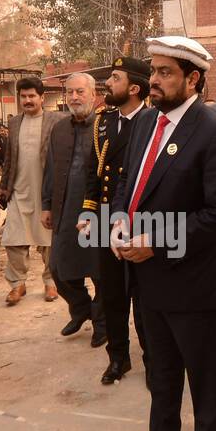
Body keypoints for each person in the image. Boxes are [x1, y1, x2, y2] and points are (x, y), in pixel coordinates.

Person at [109, 36, 216, 431]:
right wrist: (120, 222)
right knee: (160, 368)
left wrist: (156, 241)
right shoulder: (147, 119)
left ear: (194, 79)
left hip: (192, 280)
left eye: (167, 73)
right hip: (147, 279)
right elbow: (131, 180)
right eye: (155, 71)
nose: (156, 80)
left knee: (204, 376)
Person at [82, 56, 154, 384]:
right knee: (111, 291)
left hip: (143, 218)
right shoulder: (103, 121)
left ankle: (153, 358)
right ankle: (118, 358)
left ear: (134, 88)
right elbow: (94, 170)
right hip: (105, 215)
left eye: (115, 78)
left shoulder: (155, 122)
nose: (107, 83)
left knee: (144, 294)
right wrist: (88, 210)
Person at [43, 72, 105, 346]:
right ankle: (82, 310)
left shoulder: (106, 127)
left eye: (80, 92)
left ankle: (103, 324)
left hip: (98, 211)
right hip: (65, 208)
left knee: (100, 272)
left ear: (94, 95)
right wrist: (46, 205)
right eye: (70, 92)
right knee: (58, 268)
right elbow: (50, 171)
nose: (74, 97)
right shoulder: (59, 129)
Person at [0, 76, 59, 305]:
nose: (27, 100)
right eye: (23, 96)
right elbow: (8, 158)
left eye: (32, 96)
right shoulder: (14, 123)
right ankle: (17, 284)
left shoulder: (56, 120)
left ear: (42, 97)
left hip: (45, 193)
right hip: (19, 192)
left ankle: (51, 282)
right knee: (13, 239)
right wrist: (4, 187)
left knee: (49, 241)